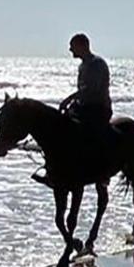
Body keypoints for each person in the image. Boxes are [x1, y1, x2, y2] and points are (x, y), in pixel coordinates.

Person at [33, 33, 112, 189]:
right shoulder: (82, 66)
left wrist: (70, 98)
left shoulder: (97, 64)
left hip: (98, 108)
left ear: (82, 46)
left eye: (73, 46)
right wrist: (72, 104)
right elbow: (82, 91)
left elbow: (91, 90)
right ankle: (53, 169)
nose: (70, 50)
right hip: (83, 107)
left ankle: (103, 172)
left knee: (93, 134)